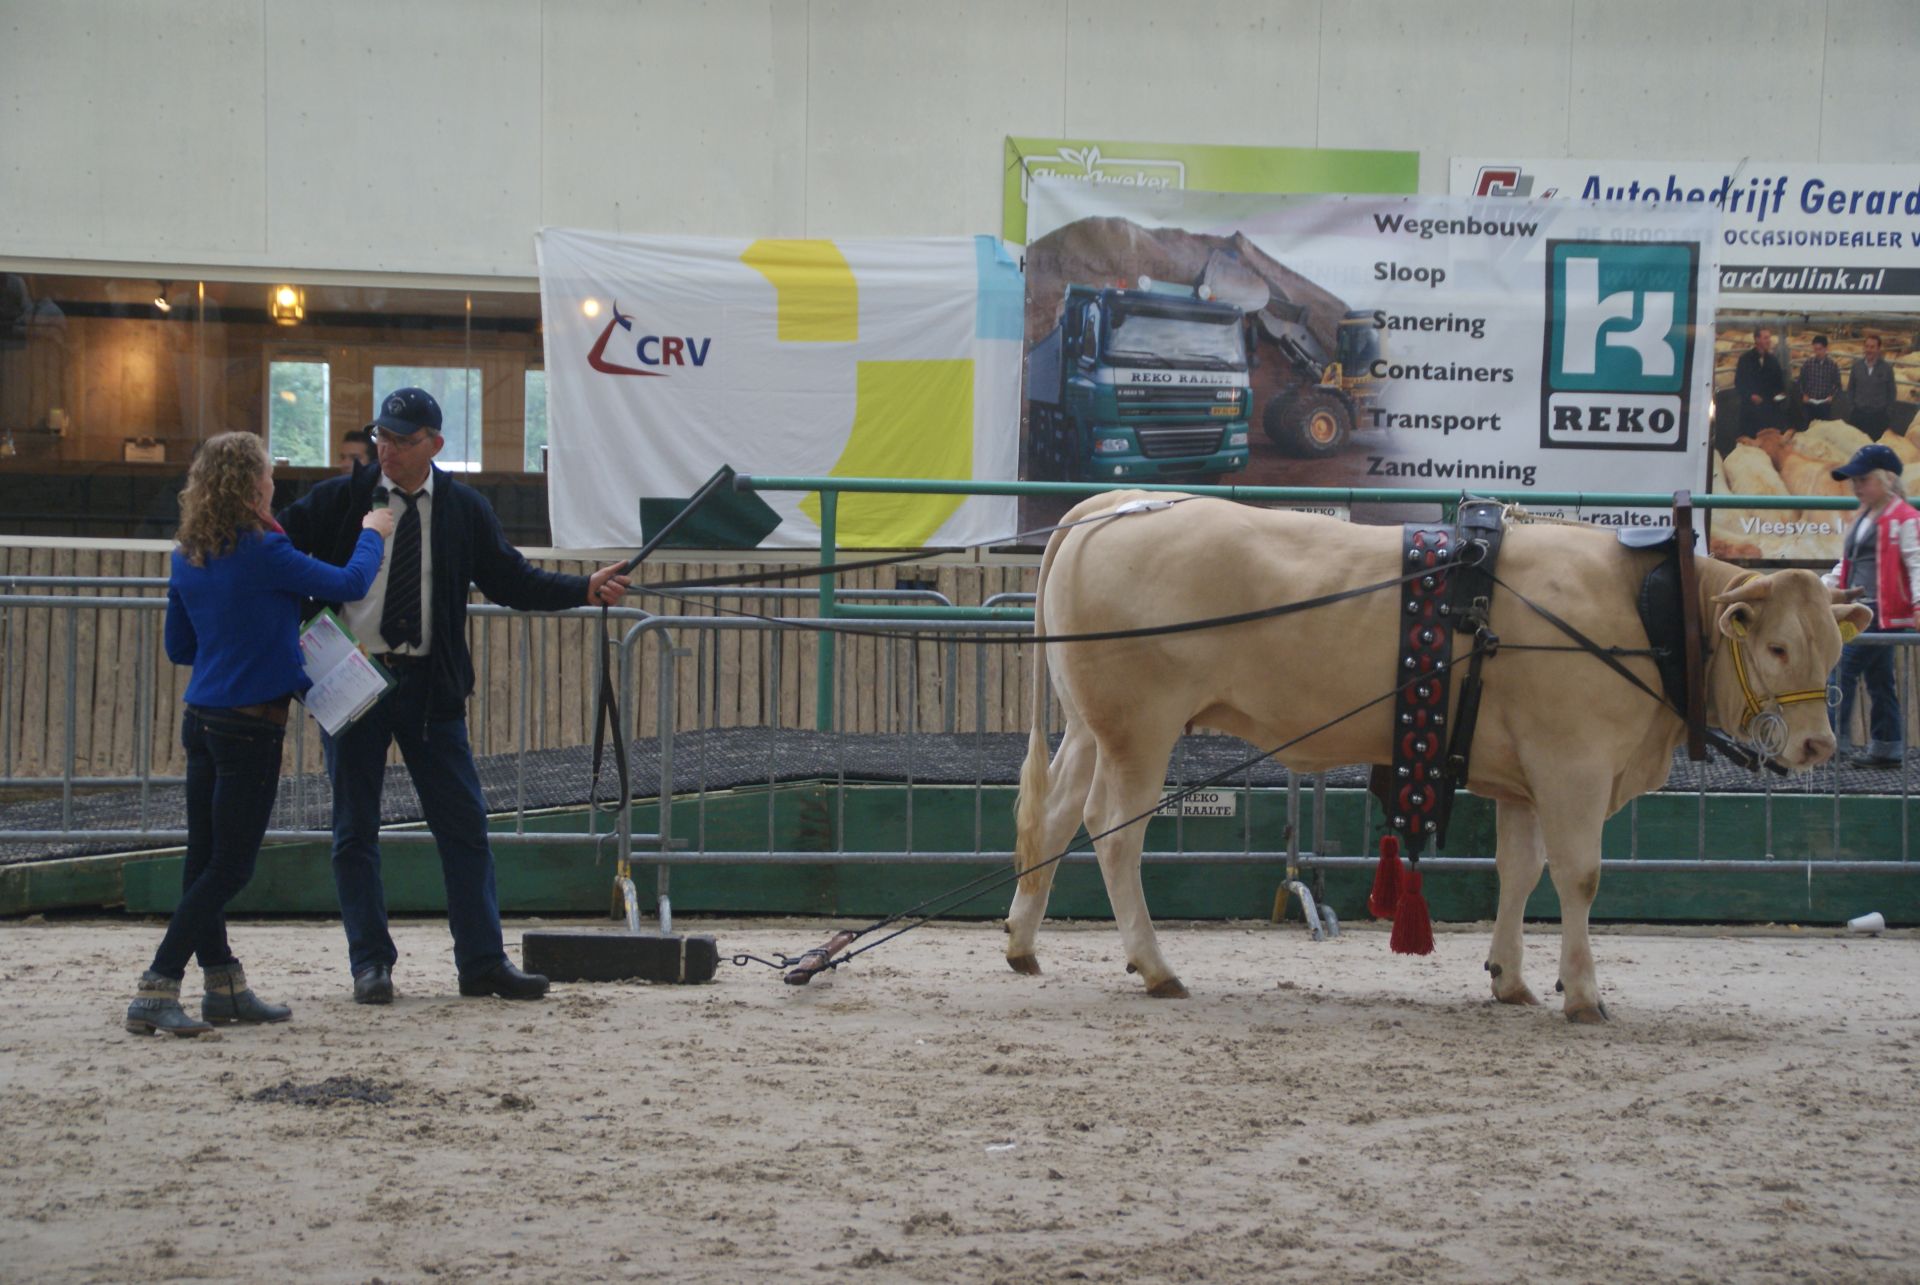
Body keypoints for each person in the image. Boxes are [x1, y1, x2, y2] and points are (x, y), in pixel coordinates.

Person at [279, 388, 631, 1004]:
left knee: (464, 826)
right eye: (382, 436)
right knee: (353, 828)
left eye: (402, 440)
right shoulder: (338, 500)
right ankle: (371, 964)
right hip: (349, 678)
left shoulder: (464, 509)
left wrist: (582, 588)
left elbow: (510, 578)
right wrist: (307, 634)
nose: (386, 449)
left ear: (435, 445)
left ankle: (482, 962)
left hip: (429, 686)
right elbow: (278, 556)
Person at [127, 432, 393, 1036]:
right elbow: (350, 582)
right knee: (231, 867)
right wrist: (373, 531)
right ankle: (157, 983)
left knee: (204, 860)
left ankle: (223, 983)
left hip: (202, 717)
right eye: (268, 475)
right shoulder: (264, 551)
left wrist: (243, 637)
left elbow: (180, 647)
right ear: (253, 485)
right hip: (252, 725)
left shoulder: (187, 552)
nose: (274, 483)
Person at [1822, 443, 1920, 770]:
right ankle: (1887, 747)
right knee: (1879, 679)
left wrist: (1919, 603)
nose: (1857, 486)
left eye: (1863, 480)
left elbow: (1916, 562)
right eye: (1855, 481)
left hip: (1878, 609)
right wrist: (1826, 586)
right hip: (1868, 606)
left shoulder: (1904, 519)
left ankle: (1831, 745)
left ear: (1886, 479)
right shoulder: (1866, 516)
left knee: (1841, 671)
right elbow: (1847, 561)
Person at [1734, 327, 1787, 438]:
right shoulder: (1745, 359)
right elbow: (1739, 383)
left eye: (1769, 338)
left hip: (1768, 413)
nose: (1769, 341)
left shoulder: (1773, 360)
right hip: (1750, 412)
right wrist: (1750, 396)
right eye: (1765, 338)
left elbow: (1780, 386)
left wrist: (1776, 400)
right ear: (1757, 339)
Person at [1848, 334, 1896, 439]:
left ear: (1878, 349)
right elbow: (1851, 388)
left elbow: (1891, 392)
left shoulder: (1886, 369)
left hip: (1878, 417)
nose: (1869, 350)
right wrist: (1852, 407)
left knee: (1875, 447)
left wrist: (1887, 413)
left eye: (1872, 347)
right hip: (1858, 415)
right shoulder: (1857, 366)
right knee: (1856, 444)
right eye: (1867, 346)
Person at [1797, 334, 1841, 424]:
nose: (1817, 352)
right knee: (1809, 427)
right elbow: (1801, 381)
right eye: (1815, 349)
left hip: (1824, 404)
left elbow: (1837, 384)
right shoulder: (1808, 364)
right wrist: (1803, 394)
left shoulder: (1832, 365)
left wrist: (1832, 396)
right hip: (1810, 403)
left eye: (1820, 349)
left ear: (1826, 349)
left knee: (1823, 428)